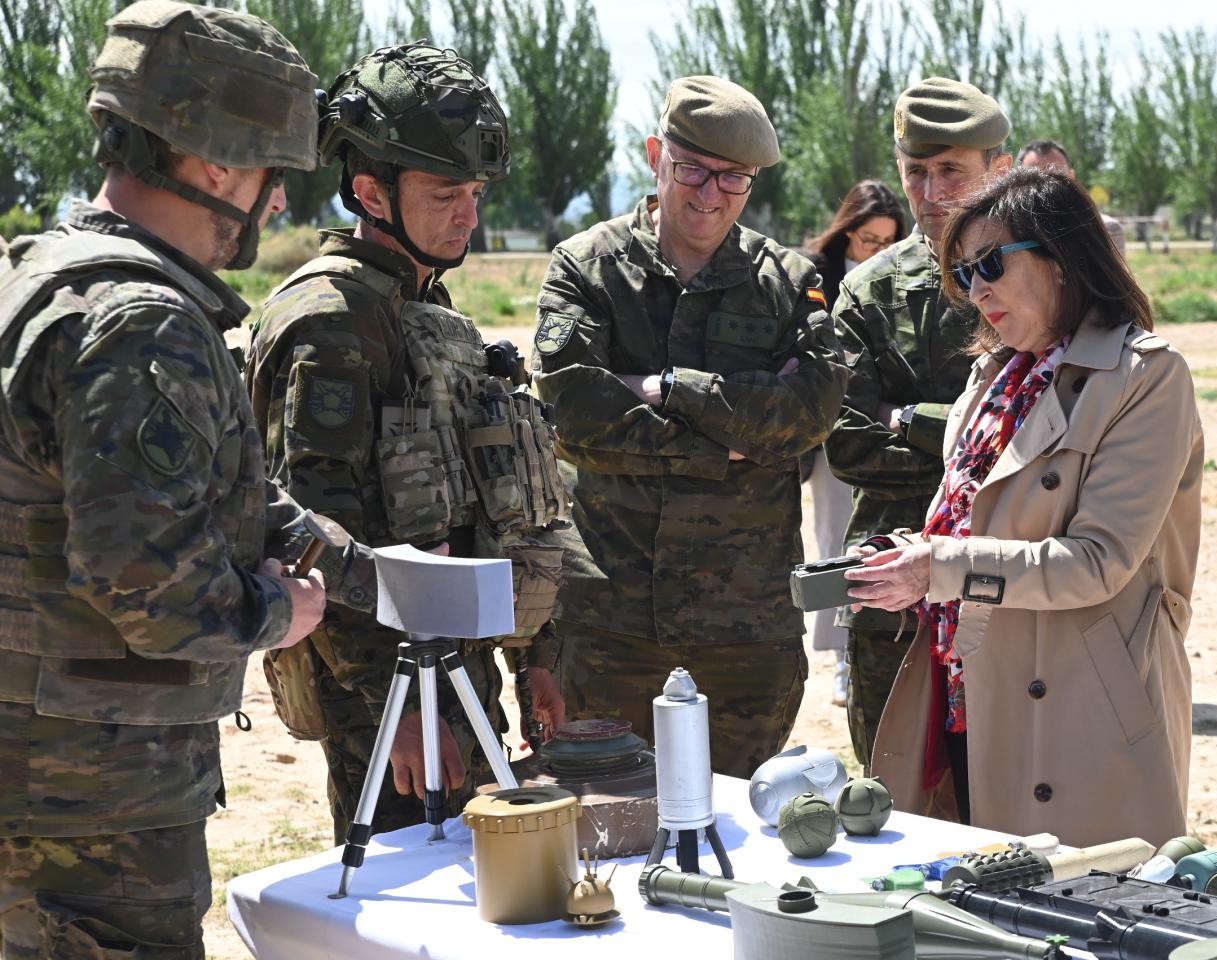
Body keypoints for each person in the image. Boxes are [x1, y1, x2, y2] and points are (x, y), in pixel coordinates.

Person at [0, 2, 375, 955]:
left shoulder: (42, 277)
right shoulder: (142, 323)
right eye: (272, 177)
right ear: (215, 166)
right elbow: (145, 584)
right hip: (97, 804)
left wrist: (316, 541)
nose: (278, 205)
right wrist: (272, 612)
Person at [246, 42, 571, 845]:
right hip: (391, 702)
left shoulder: (420, 304)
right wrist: (398, 709)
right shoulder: (332, 322)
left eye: (475, 192)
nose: (468, 214)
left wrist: (536, 654)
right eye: (444, 193)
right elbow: (316, 532)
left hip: (457, 673)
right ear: (369, 192)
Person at [850, 166, 1203, 847]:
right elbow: (969, 520)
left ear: (1062, 258)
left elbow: (1097, 563)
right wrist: (905, 558)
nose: (975, 291)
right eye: (962, 274)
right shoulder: (990, 374)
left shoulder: (1146, 376)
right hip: (966, 695)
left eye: (988, 264)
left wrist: (939, 566)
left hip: (1079, 713)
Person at [532, 76, 847, 778]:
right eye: (692, 170)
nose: (709, 195)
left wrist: (664, 387)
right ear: (655, 156)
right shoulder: (586, 268)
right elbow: (570, 407)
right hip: (610, 621)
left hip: (745, 628)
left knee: (740, 828)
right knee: (606, 825)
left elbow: (810, 414)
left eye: (732, 179)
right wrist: (734, 441)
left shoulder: (789, 282)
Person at [825, 77, 1010, 770]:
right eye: (916, 173)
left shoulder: (1049, 280)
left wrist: (904, 418)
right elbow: (844, 440)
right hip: (891, 584)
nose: (932, 195)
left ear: (999, 169)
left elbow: (1058, 440)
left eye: (951, 173)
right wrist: (984, 438)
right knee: (891, 785)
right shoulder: (869, 290)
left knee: (1010, 792)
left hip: (1013, 578)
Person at [800, 179, 905, 706]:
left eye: (888, 241)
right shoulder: (813, 277)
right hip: (829, 437)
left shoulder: (902, 279)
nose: (878, 252)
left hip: (884, 434)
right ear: (846, 234)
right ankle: (843, 660)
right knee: (836, 543)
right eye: (868, 239)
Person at [1016, 139, 1126, 254]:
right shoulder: (1007, 237)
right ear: (1015, 182)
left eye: (1056, 176)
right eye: (1034, 178)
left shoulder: (1106, 230)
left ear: (1072, 177)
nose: (1046, 185)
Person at [804, 180, 905, 303]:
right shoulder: (817, 274)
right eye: (870, 239)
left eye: (888, 240)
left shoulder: (904, 277)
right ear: (849, 230)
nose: (881, 251)